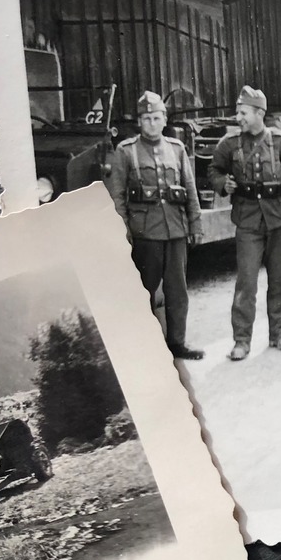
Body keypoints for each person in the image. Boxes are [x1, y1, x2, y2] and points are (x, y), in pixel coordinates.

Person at [209, 86, 281, 362]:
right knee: (246, 283)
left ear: (259, 113)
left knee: (278, 280)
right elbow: (214, 169)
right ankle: (242, 340)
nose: (238, 117)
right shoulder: (228, 144)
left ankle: (278, 333)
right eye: (238, 112)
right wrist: (222, 184)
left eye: (243, 112)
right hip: (248, 219)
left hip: (279, 218)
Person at [110, 90, 205, 360]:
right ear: (139, 122)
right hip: (145, 233)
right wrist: (124, 231)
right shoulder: (126, 151)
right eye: (146, 118)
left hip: (175, 230)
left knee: (178, 291)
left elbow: (189, 188)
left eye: (156, 117)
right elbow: (117, 197)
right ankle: (147, 346)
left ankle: (177, 343)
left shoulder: (177, 149)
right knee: (145, 290)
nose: (152, 123)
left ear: (165, 119)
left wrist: (195, 225)